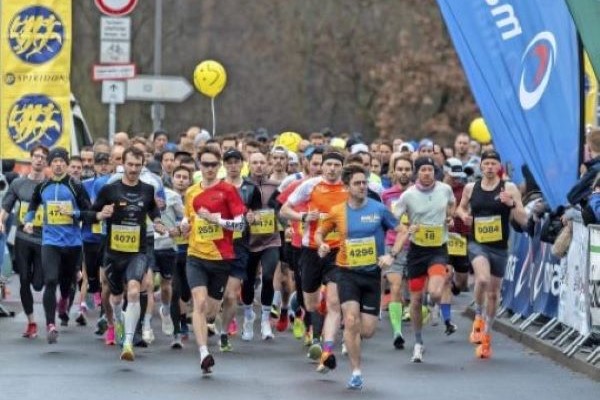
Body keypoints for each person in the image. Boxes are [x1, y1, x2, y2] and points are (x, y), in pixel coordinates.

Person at [316, 165, 399, 390]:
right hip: (346, 272)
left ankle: (349, 336)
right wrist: (321, 244)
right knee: (351, 320)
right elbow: (319, 231)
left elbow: (401, 229)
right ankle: (356, 372)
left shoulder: (379, 209)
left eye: (365, 183)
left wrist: (391, 255)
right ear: (347, 187)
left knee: (367, 330)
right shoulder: (337, 211)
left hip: (372, 275)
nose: (363, 187)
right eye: (357, 183)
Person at [92, 147, 167, 361]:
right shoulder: (110, 190)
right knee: (116, 297)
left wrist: (159, 222)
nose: (133, 169)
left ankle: (128, 343)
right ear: (123, 164)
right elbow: (92, 212)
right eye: (130, 164)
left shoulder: (147, 189)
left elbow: (153, 211)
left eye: (137, 165)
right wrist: (100, 214)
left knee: (134, 291)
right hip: (114, 252)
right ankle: (117, 320)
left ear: (142, 165)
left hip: (138, 251)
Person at [180, 146, 246, 374]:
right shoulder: (191, 193)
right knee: (198, 303)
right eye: (205, 164)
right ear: (199, 165)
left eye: (213, 165)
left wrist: (218, 222)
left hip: (221, 257)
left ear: (219, 166)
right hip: (196, 255)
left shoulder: (228, 191)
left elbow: (241, 224)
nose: (209, 168)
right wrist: (183, 226)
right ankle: (203, 353)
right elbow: (187, 220)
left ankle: (211, 325)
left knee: (210, 310)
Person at [280, 150, 347, 371]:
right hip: (311, 250)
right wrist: (303, 217)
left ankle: (326, 349)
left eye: (336, 165)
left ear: (341, 167)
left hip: (339, 251)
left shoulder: (348, 188)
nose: (332, 169)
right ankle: (311, 318)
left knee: (334, 303)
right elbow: (284, 209)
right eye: (328, 164)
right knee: (310, 303)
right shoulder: (310, 186)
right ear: (322, 166)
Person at [456, 150, 527, 358]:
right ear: (480, 166)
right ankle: (478, 314)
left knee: (494, 294)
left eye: (492, 164)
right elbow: (460, 209)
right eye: (485, 164)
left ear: (499, 167)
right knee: (483, 279)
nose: (489, 167)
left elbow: (523, 218)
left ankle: (486, 334)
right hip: (477, 243)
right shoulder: (471, 188)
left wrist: (511, 204)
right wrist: (465, 216)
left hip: (499, 246)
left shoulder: (509, 188)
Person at [24, 147, 94, 344]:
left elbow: (88, 211)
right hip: (50, 241)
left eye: (61, 161)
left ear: (66, 163)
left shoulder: (75, 186)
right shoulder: (43, 186)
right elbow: (33, 204)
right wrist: (29, 220)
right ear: (50, 163)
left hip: (72, 243)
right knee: (51, 280)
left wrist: (74, 214)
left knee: (67, 283)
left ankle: (63, 302)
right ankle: (50, 325)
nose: (58, 164)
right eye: (54, 161)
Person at [391, 156, 455, 363]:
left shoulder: (445, 189)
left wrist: (449, 217)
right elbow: (392, 219)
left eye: (430, 169)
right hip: (417, 252)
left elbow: (452, 205)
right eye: (423, 170)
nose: (426, 173)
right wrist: (407, 228)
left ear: (434, 171)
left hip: (438, 249)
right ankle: (418, 342)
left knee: (435, 291)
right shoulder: (408, 195)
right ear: (416, 173)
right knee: (416, 301)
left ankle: (437, 306)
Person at [0, 145, 48, 338]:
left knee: (38, 283)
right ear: (31, 159)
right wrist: (1, 221)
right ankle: (31, 322)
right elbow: (6, 207)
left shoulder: (50, 185)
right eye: (36, 156)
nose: (39, 160)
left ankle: (41, 282)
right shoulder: (18, 184)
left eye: (43, 157)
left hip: (44, 239)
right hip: (22, 239)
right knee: (24, 281)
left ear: (46, 162)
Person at [221, 149, 261, 350]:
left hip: (240, 246)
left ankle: (223, 333)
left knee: (230, 294)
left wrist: (254, 219)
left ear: (242, 164)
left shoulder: (251, 188)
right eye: (229, 162)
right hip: (216, 245)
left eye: (236, 162)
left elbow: (258, 216)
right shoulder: (217, 187)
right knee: (215, 296)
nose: (233, 165)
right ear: (224, 165)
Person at [242, 152, 281, 341]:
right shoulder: (242, 186)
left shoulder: (275, 187)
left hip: (270, 239)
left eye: (262, 162)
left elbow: (282, 210)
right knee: (248, 280)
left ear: (268, 165)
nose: (258, 166)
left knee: (268, 276)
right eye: (255, 162)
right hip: (248, 241)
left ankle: (265, 319)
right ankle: (248, 315)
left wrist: (288, 227)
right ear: (248, 165)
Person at [381, 155, 413, 349]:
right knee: (395, 286)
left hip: (417, 246)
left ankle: (413, 308)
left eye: (407, 169)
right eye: (400, 169)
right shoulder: (386, 195)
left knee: (414, 290)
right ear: (393, 172)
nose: (403, 172)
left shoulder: (419, 192)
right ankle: (397, 331)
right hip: (393, 245)